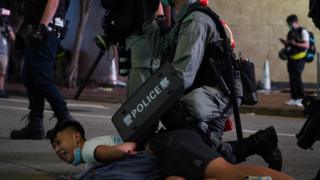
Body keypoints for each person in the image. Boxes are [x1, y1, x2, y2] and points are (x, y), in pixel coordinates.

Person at [142, 0, 282, 170]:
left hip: (219, 92)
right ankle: (260, 142)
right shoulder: (186, 17)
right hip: (212, 91)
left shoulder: (196, 20)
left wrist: (148, 102)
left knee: (175, 112)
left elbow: (182, 75)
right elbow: (164, 47)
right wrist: (152, 20)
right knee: (209, 154)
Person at [50, 120, 294, 180]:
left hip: (168, 148)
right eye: (54, 148)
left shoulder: (91, 149)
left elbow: (104, 152)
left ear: (77, 137)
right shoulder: (89, 167)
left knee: (227, 172)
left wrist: (123, 149)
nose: (58, 149)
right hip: (167, 159)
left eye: (59, 142)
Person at [10, 0, 73, 140]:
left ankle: (65, 120)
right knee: (30, 77)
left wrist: (41, 28)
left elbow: (53, 1)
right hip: (38, 31)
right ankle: (35, 125)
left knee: (42, 78)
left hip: (45, 32)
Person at [280, 14, 309, 107]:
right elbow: (289, 45)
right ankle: (294, 98)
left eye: (290, 23)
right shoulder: (290, 33)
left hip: (300, 58)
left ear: (295, 22)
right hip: (291, 58)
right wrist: (286, 43)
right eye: (288, 24)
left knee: (297, 77)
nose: (289, 25)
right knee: (292, 78)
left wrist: (295, 43)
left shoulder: (303, 31)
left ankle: (301, 98)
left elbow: (306, 45)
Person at [0, 8, 15, 98]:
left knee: (2, 73)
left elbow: (13, 38)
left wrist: (8, 28)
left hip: (4, 53)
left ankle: (1, 90)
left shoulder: (6, 26)